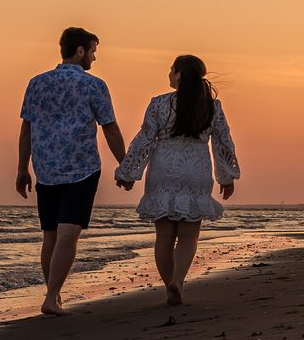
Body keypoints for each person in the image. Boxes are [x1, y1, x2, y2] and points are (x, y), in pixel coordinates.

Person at [114, 55, 240, 306]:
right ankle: (178, 281)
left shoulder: (159, 103)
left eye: (171, 70)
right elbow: (222, 142)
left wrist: (127, 172)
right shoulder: (212, 107)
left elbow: (145, 139)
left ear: (180, 74)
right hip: (196, 168)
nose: (169, 74)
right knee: (189, 234)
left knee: (164, 235)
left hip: (164, 166)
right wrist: (226, 176)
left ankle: (168, 282)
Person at [17, 27, 126, 316]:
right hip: (82, 169)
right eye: (92, 51)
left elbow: (26, 128)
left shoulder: (36, 83)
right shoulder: (94, 85)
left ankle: (53, 294)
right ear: (80, 51)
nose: (94, 58)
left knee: (50, 235)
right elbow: (110, 129)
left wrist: (22, 168)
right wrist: (125, 164)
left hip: (46, 169)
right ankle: (52, 297)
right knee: (68, 234)